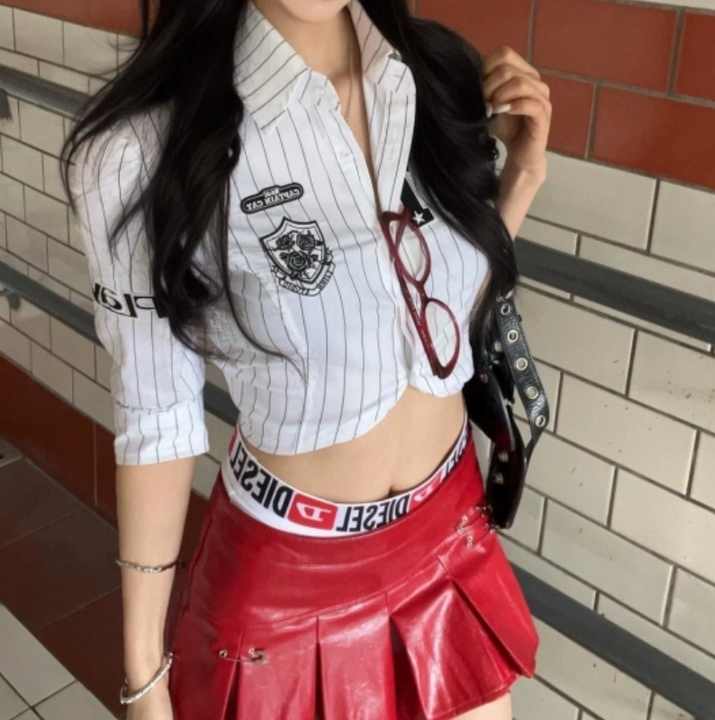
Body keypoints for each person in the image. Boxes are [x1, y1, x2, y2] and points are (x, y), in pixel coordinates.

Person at [61, 0, 551, 717]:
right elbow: (157, 412)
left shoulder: (438, 77)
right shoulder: (143, 149)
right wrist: (144, 677)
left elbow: (436, 324)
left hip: (449, 533)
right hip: (292, 585)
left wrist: (523, 177)